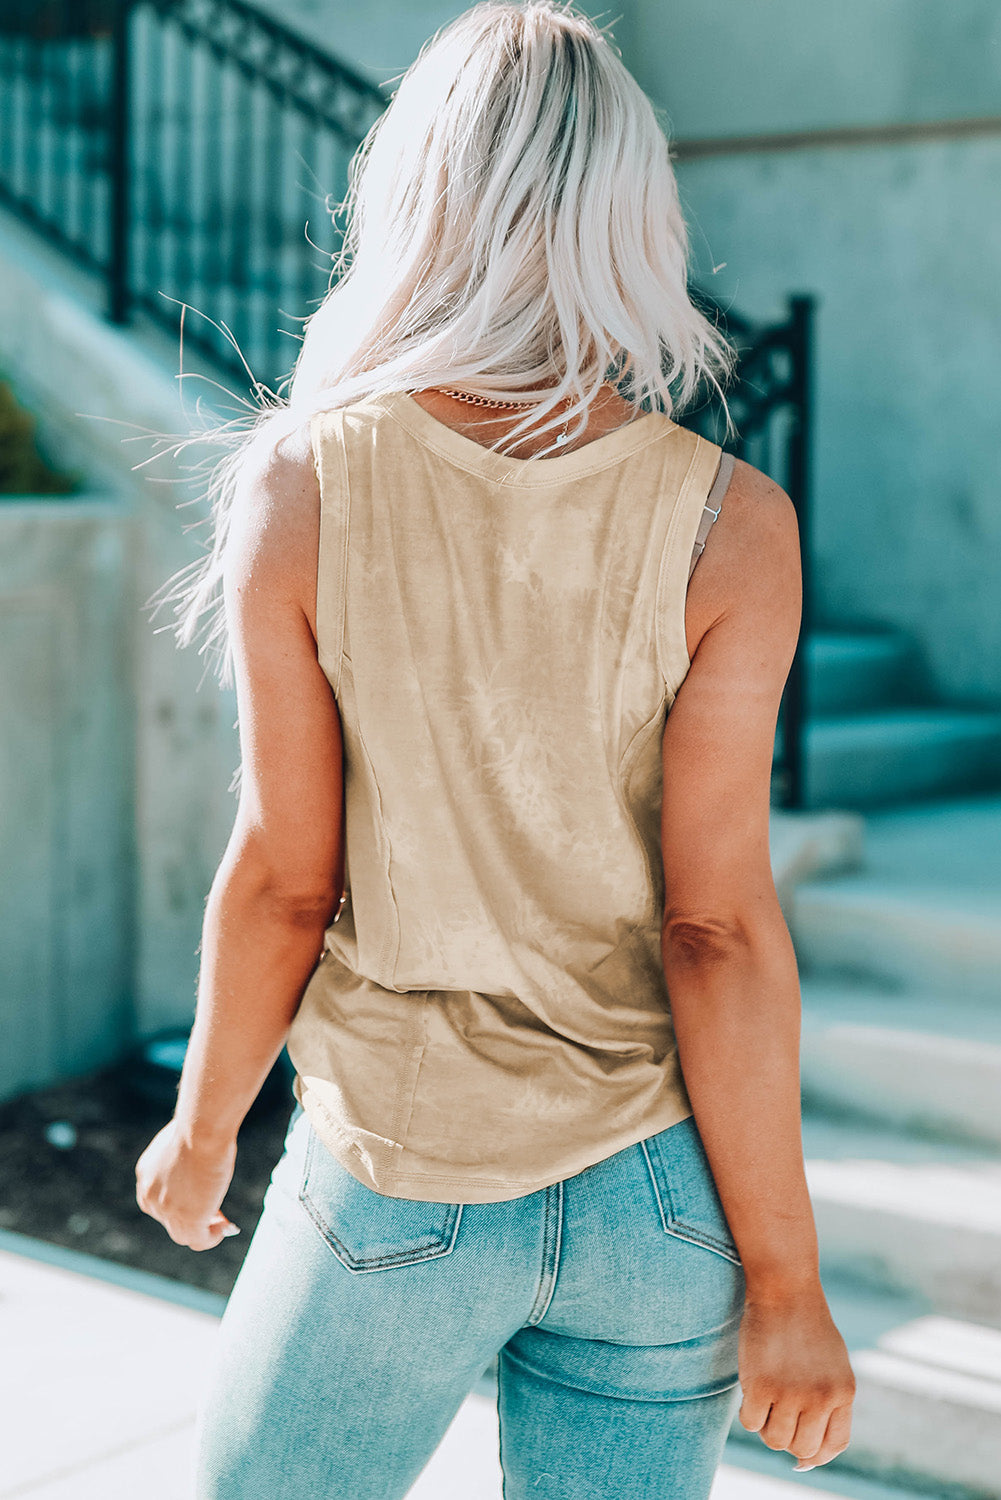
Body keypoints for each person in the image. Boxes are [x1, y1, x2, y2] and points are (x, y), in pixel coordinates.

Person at [134, 3, 855, 1495]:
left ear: (413, 196)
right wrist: (786, 1288)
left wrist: (204, 1128)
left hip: (398, 1179)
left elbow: (283, 875)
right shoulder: (735, 523)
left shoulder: (301, 480)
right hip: (663, 1202)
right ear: (631, 218)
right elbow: (716, 927)